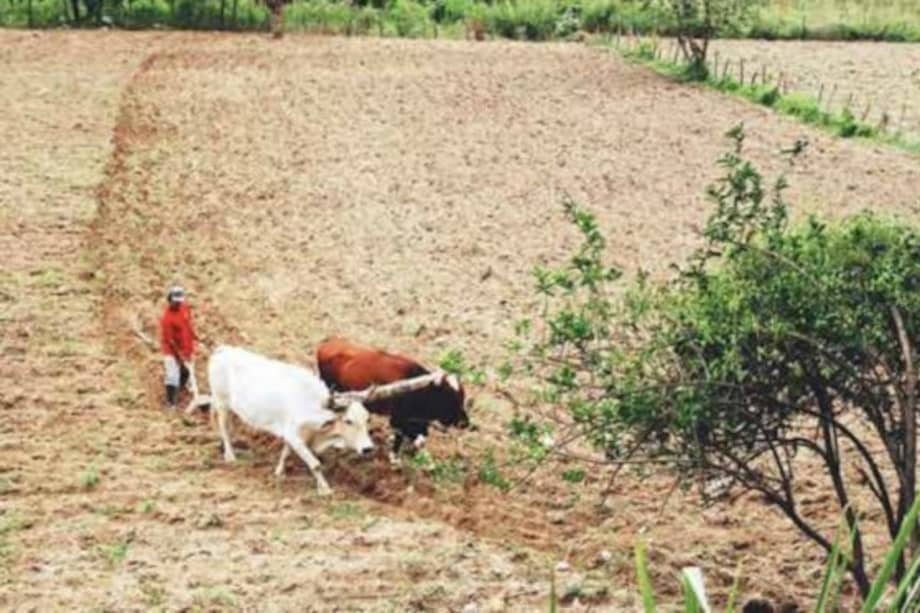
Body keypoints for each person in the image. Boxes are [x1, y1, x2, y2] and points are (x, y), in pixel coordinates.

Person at [159, 286, 198, 409]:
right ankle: (170, 403)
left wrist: (194, 338)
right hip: (171, 350)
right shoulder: (167, 318)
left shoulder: (185, 308)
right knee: (172, 374)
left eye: (179, 301)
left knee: (187, 371)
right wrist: (180, 356)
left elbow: (188, 325)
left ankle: (181, 390)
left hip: (186, 346)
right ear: (169, 299)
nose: (177, 304)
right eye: (175, 301)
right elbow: (170, 341)